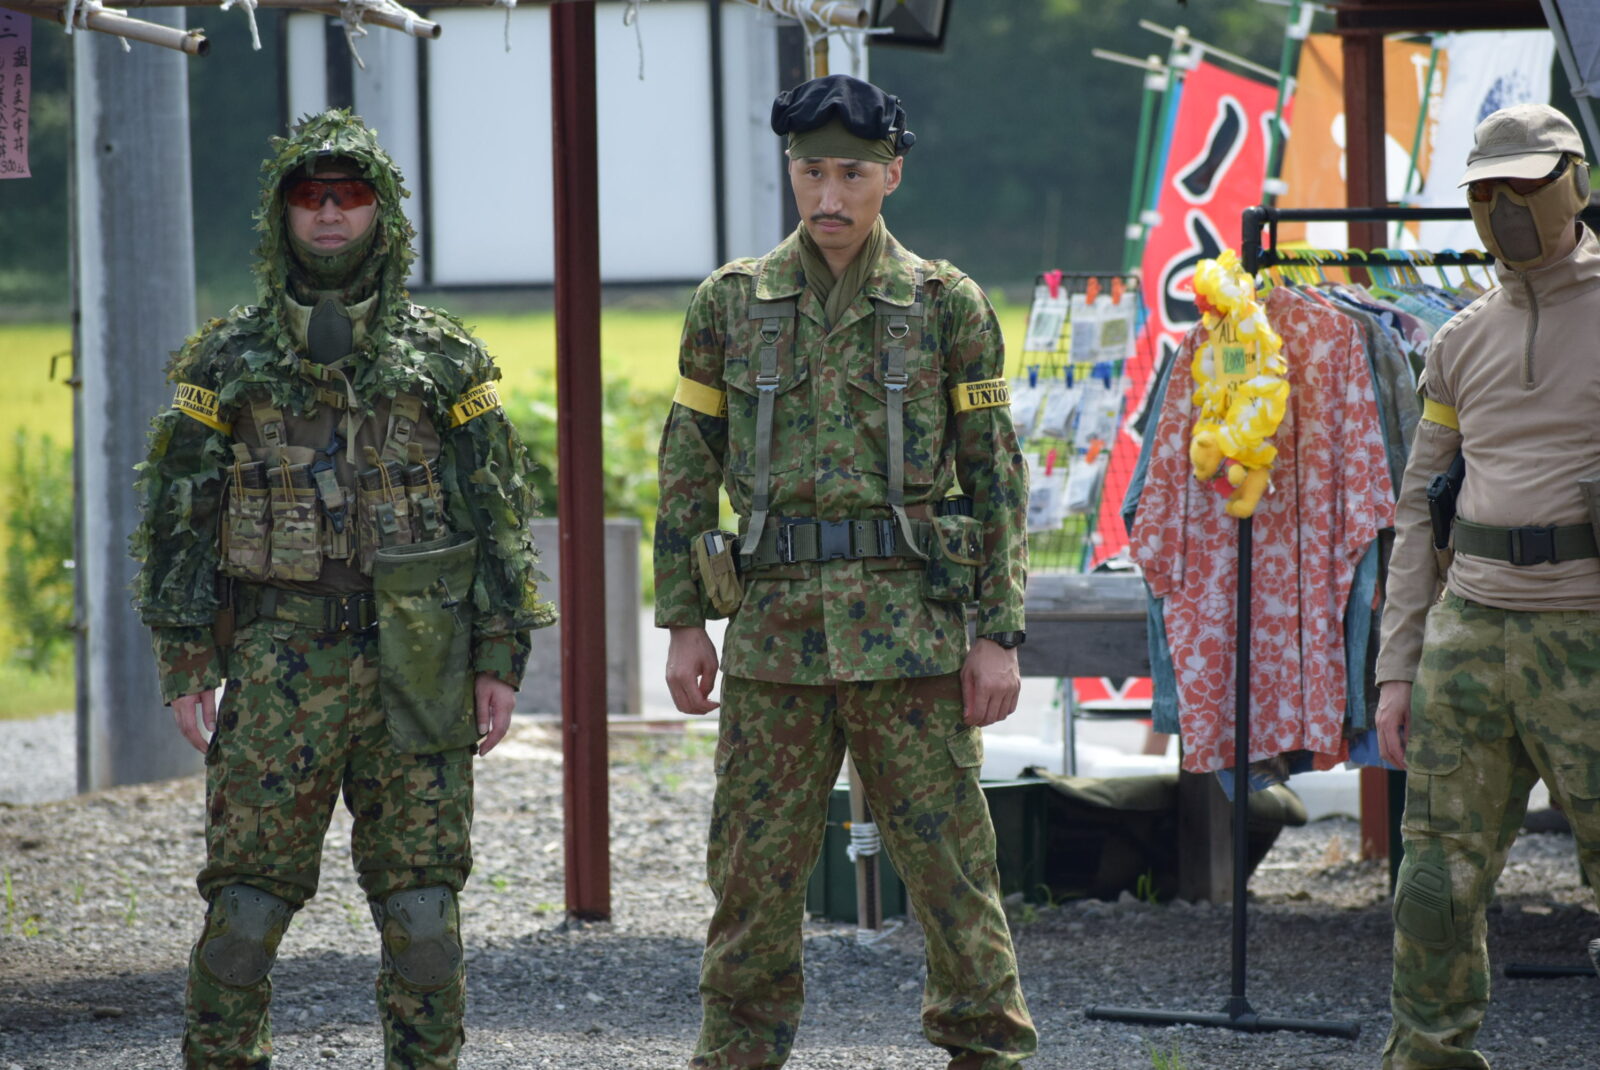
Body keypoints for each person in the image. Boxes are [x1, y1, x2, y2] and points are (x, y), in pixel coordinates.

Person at [131, 110, 554, 1069]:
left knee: (424, 920)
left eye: (351, 194)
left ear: (382, 214)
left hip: (420, 666)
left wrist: (498, 655)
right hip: (280, 661)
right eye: (310, 195)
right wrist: (188, 655)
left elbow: (495, 512)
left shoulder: (447, 359)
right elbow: (180, 513)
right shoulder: (224, 359)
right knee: (242, 919)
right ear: (281, 213)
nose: (329, 214)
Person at [654, 74, 1036, 1069]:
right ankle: (736, 1054)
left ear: (890, 175)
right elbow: (687, 465)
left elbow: (996, 476)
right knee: (751, 876)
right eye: (811, 172)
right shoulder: (730, 303)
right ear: (790, 171)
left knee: (952, 871)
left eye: (853, 175)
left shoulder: (946, 305)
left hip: (910, 636)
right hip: (775, 642)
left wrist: (998, 633)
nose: (829, 196)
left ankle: (987, 1050)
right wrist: (685, 622)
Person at [1375, 102, 1600, 1069]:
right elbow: (1417, 509)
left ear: (1574, 184)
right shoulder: (1458, 340)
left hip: (1587, 634)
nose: (1505, 208)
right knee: (1433, 888)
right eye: (1485, 191)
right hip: (1469, 635)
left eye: (1526, 185)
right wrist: (1397, 670)